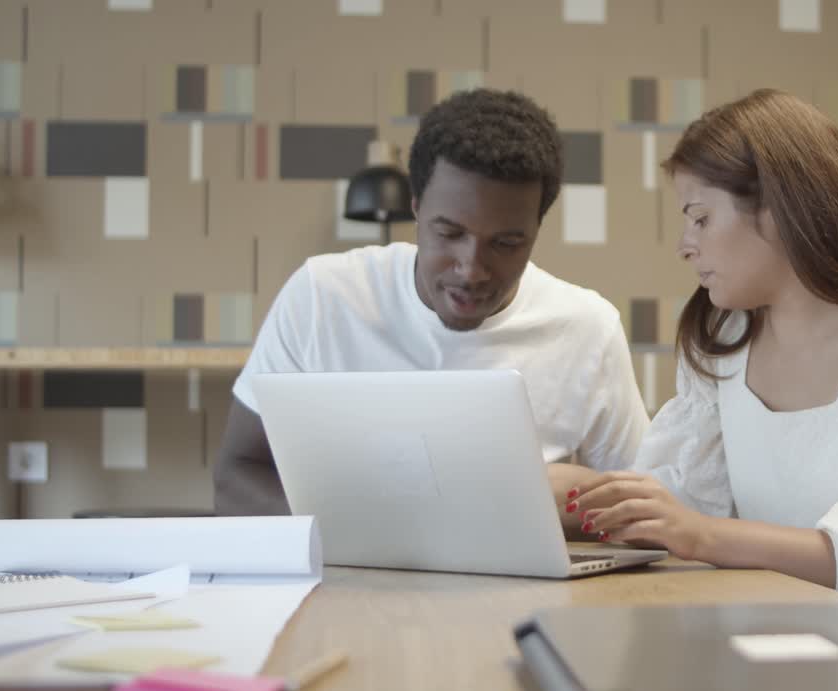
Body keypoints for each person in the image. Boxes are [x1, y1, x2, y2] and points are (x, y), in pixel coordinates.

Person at [559, 89, 838, 649]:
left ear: (778, 212)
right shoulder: (723, 335)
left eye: (700, 218)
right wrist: (571, 498)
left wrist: (705, 536)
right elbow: (682, 508)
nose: (685, 246)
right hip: (783, 626)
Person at [215, 89, 649, 524]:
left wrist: (564, 504)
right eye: (449, 233)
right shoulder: (321, 297)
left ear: (536, 229)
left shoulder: (588, 329)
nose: (471, 270)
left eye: (506, 243)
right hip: (343, 564)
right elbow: (237, 473)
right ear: (417, 209)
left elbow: (646, 508)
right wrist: (356, 535)